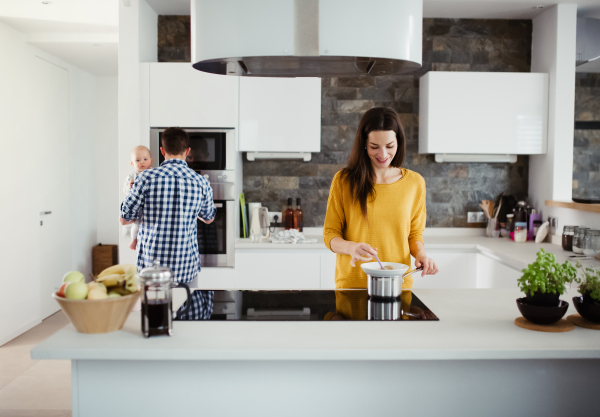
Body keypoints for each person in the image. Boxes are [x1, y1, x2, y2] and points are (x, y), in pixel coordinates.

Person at [323, 107, 439, 290]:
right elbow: (330, 233)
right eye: (374, 147)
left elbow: (414, 234)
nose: (383, 155)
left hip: (398, 283)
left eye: (390, 146)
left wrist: (421, 255)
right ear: (364, 144)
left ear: (399, 143)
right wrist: (351, 248)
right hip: (353, 284)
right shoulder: (343, 181)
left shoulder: (415, 182)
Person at [120, 127, 216, 320]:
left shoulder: (145, 178)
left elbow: (125, 219)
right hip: (186, 268)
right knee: (188, 325)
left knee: (156, 322)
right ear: (187, 151)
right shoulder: (201, 182)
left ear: (162, 151)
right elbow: (208, 217)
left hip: (152, 269)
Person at [123, 146, 153, 250]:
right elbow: (125, 191)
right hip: (137, 205)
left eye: (145, 159)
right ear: (132, 163)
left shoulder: (153, 173)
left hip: (150, 205)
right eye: (137, 160)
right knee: (137, 223)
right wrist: (129, 187)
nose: (142, 162)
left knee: (148, 223)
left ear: (151, 161)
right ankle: (134, 240)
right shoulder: (132, 175)